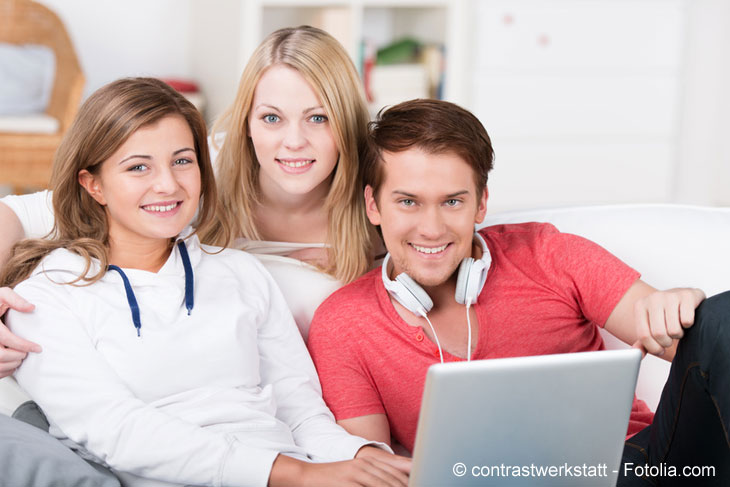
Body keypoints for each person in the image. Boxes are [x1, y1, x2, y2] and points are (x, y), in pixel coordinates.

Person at [1, 77, 409, 487]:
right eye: (138, 167)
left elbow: (300, 409)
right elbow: (116, 431)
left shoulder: (240, 271)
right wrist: (292, 473)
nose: (168, 184)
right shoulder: (46, 296)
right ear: (93, 184)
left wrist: (361, 458)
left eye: (182, 161)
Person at [307, 99, 729, 485]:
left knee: (719, 318)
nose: (431, 228)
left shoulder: (547, 254)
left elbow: (692, 345)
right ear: (373, 205)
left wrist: (679, 307)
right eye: (408, 202)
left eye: (452, 202)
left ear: (482, 203)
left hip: (641, 466)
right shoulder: (344, 323)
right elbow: (374, 469)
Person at [0, 26, 376, 376]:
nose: (293, 141)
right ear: (246, 122)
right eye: (272, 118)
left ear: (346, 120)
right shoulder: (198, 169)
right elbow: (17, 211)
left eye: (318, 118)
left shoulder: (379, 200)